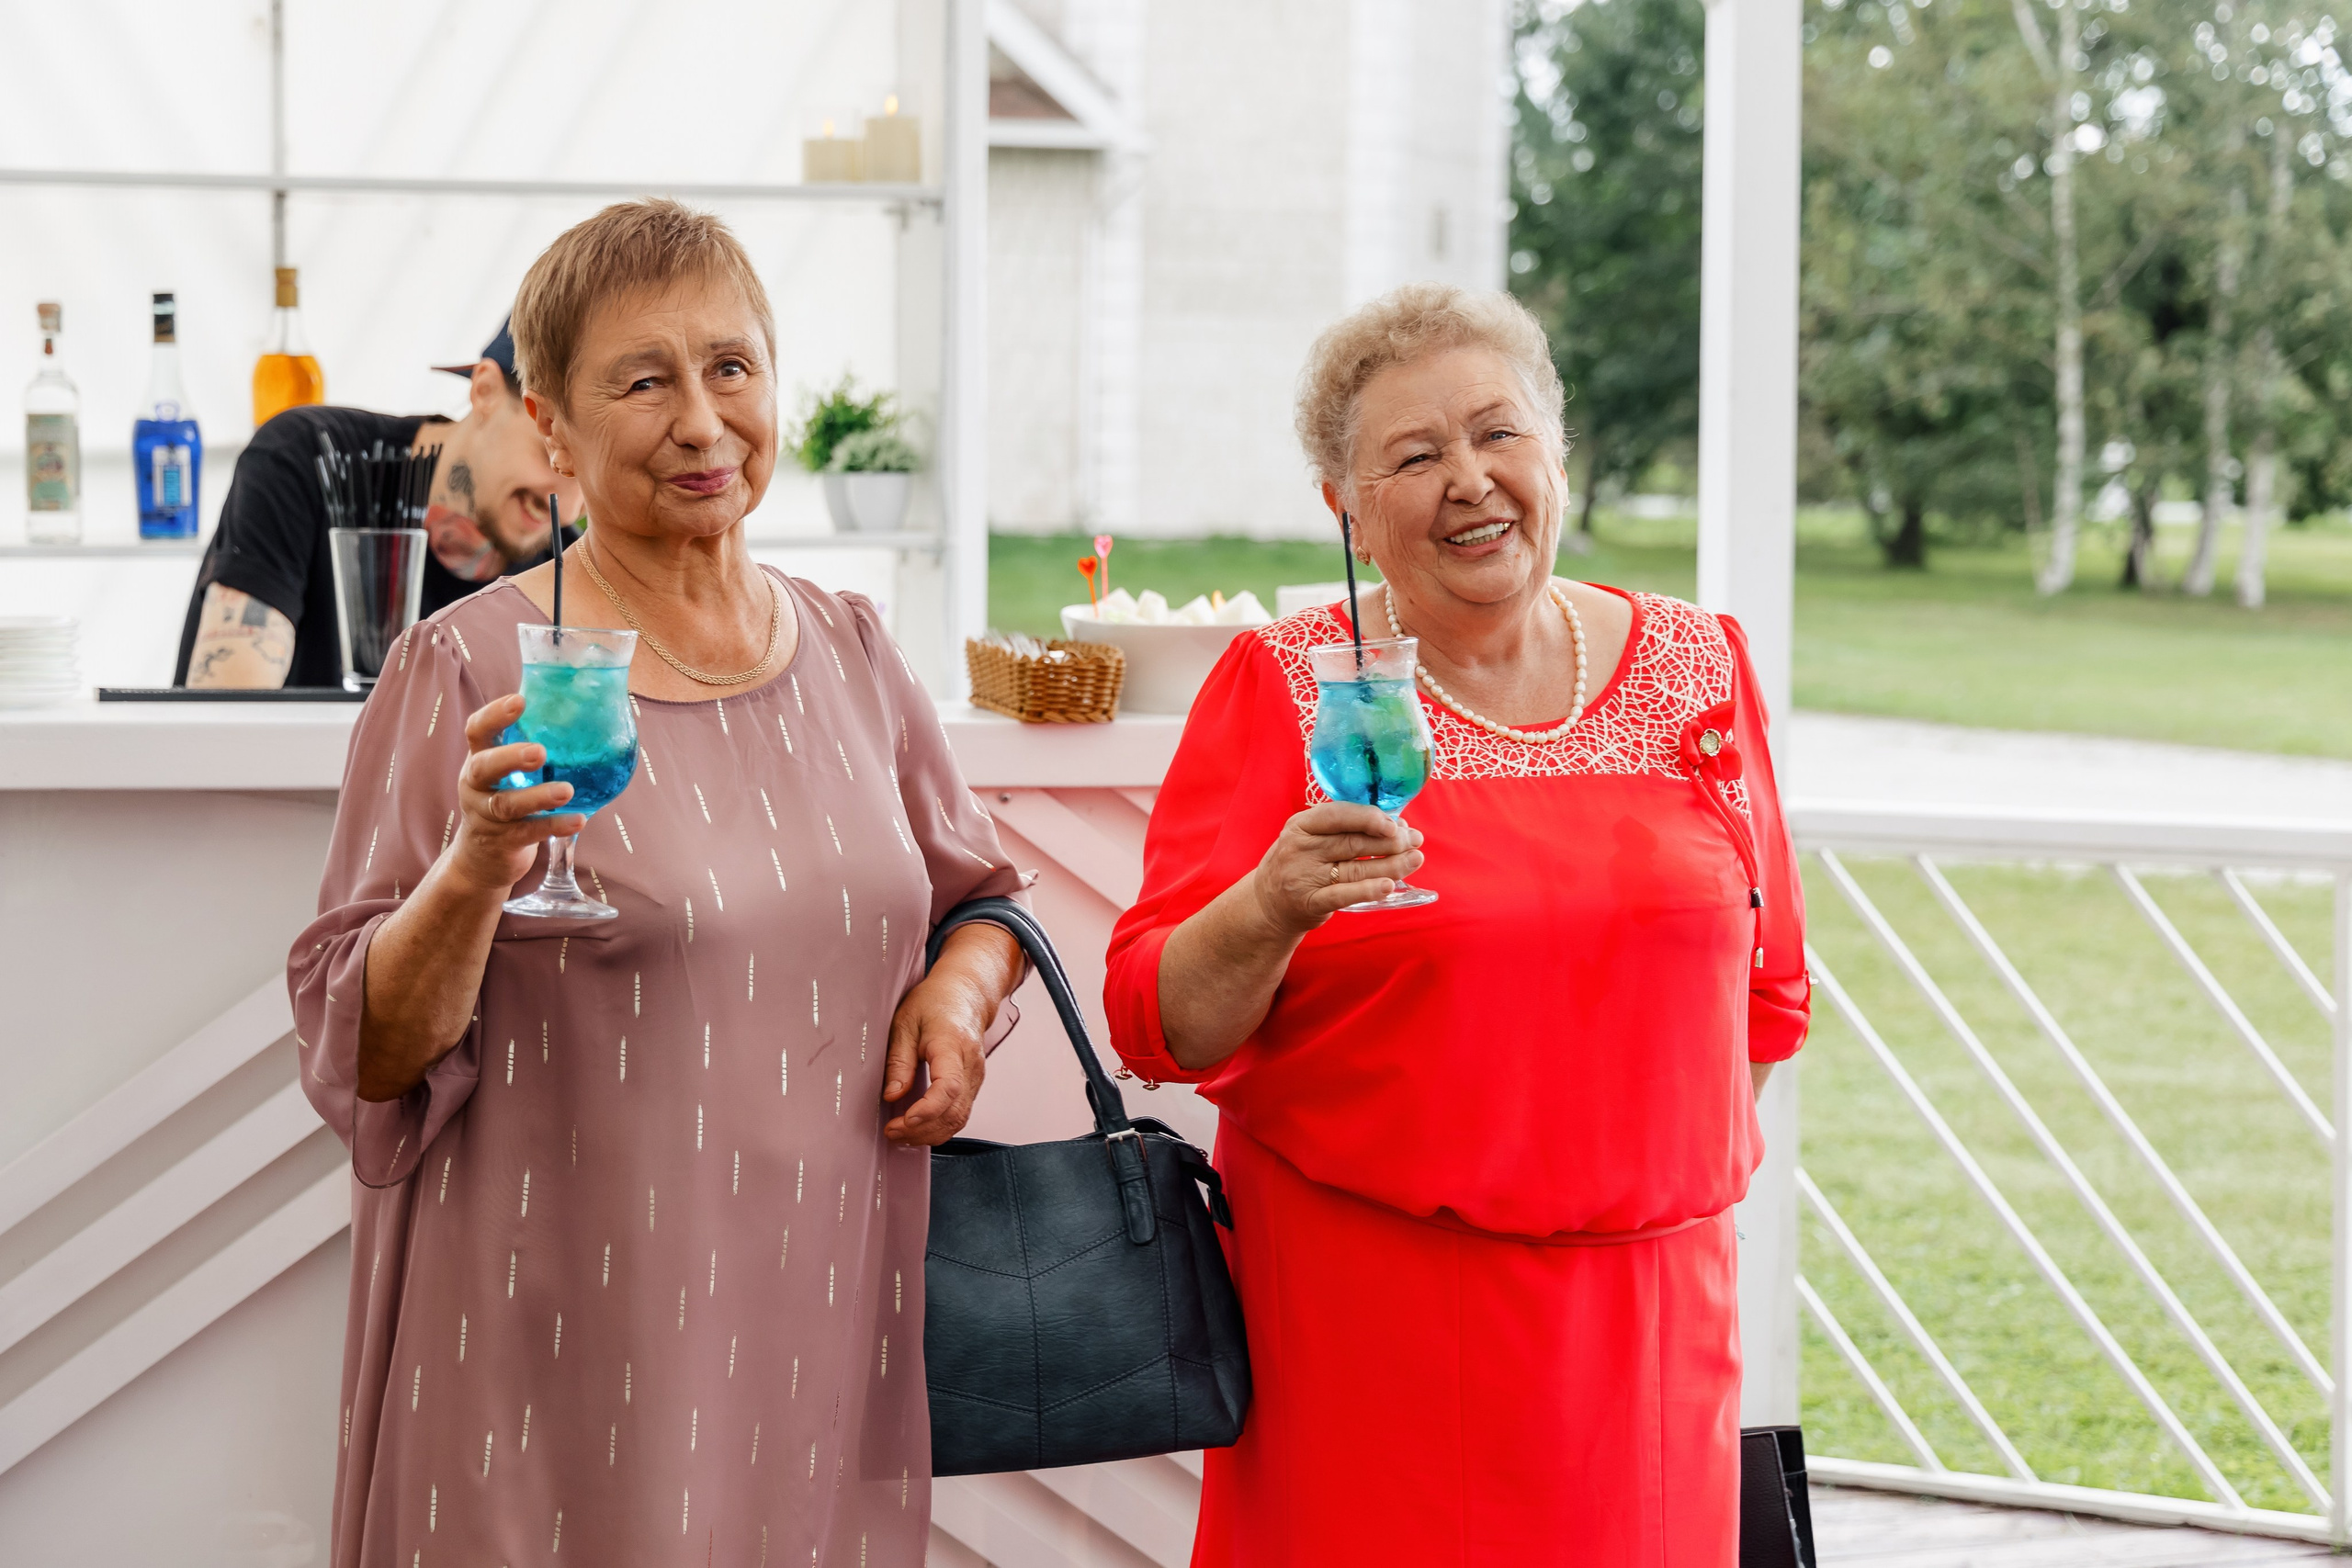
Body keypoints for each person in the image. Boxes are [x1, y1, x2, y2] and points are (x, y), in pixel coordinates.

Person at [288, 199, 1028, 1566]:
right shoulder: (465, 668)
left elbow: (982, 900)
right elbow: (366, 1054)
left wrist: (958, 997)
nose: (703, 421)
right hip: (555, 1363)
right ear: (553, 431)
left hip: (810, 1338)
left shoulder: (854, 647)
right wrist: (470, 871)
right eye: (645, 381)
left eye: (732, 367)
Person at [1103, 282, 1810, 1566]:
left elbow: (1766, 999)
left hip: (1645, 1334)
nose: (1471, 480)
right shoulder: (1284, 685)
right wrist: (1271, 902)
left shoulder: (1706, 667)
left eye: (1500, 433)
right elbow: (1160, 1019)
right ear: (1348, 509)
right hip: (1371, 1323)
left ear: (1556, 451)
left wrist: (1617, 1178)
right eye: (1414, 456)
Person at [175, 321, 581, 688]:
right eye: (553, 451)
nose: (572, 505)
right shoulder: (309, 458)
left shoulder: (570, 563)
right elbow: (229, 728)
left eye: (591, 473)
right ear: (485, 391)